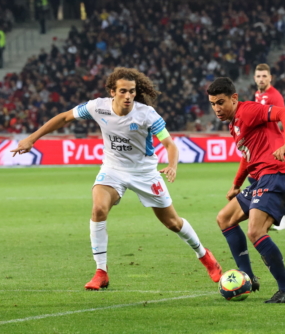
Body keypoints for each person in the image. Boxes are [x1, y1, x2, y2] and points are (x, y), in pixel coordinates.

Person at [11, 67, 222, 290]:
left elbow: (169, 144)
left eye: (132, 91)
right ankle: (101, 272)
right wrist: (31, 139)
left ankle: (204, 255)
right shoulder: (97, 107)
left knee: (173, 223)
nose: (128, 96)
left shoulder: (147, 114)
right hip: (113, 169)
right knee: (98, 209)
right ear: (113, 91)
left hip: (145, 173)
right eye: (123, 91)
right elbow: (64, 118)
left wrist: (172, 165)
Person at [207, 77, 285, 303]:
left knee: (256, 231)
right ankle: (247, 275)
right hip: (261, 179)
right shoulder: (234, 124)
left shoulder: (249, 111)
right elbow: (248, 157)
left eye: (221, 102)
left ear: (234, 98)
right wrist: (236, 184)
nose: (217, 108)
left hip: (276, 174)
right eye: (212, 104)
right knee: (224, 218)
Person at [253, 63, 285, 230]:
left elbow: (284, 119)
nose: (261, 79)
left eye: (264, 76)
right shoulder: (257, 94)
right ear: (254, 78)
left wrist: (284, 142)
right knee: (256, 178)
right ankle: (277, 215)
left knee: (267, 179)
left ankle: (284, 217)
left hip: (273, 144)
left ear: (270, 78)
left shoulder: (275, 96)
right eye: (258, 76)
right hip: (263, 143)